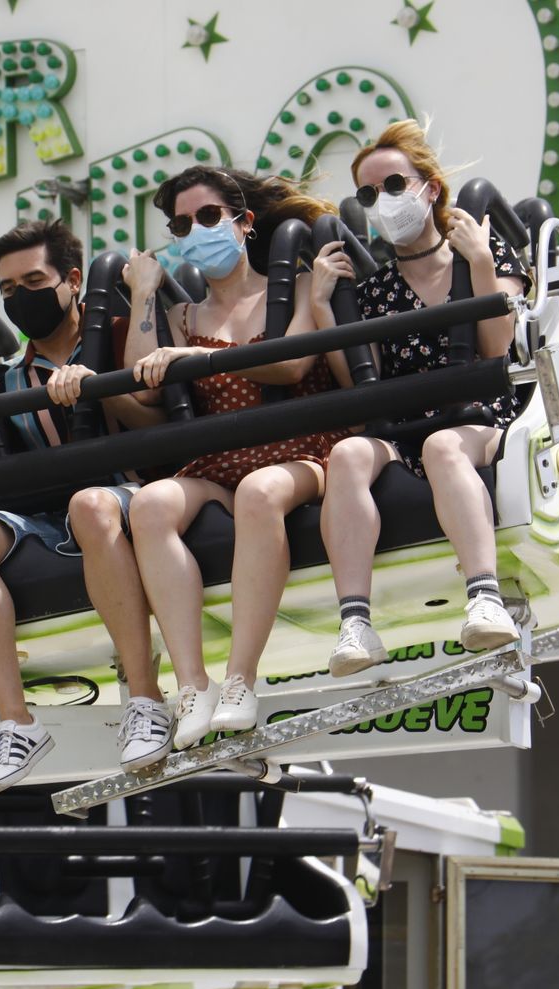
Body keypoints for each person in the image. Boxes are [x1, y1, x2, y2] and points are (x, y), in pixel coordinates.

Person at [123, 166, 351, 751]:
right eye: (181, 224)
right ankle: (192, 683)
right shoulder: (182, 317)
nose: (195, 230)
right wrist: (146, 293)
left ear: (243, 223)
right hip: (220, 460)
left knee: (260, 494)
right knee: (149, 506)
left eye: (207, 217)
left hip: (301, 447)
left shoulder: (296, 288)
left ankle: (240, 679)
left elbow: (292, 365)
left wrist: (196, 360)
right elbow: (143, 384)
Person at [0, 219, 165, 795]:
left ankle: (144, 697)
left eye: (33, 280)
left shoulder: (116, 337)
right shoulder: (8, 378)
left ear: (71, 280)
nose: (22, 297)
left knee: (91, 505)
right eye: (9, 290)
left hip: (128, 497)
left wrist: (102, 387)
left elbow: (160, 418)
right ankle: (16, 723)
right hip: (41, 514)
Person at [310, 120, 530, 676]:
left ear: (429, 189)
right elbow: (358, 379)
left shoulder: (486, 253)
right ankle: (355, 622)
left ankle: (483, 594)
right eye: (368, 194)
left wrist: (479, 262)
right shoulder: (376, 289)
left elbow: (495, 345)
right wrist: (321, 307)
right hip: (402, 424)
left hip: (478, 418)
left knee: (441, 448)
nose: (382, 202)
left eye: (393, 186)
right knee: (348, 454)